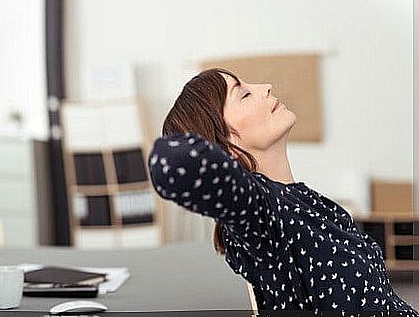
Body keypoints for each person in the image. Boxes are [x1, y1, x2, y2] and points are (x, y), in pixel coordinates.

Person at [147, 68, 418, 315]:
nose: (265, 86)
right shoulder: (263, 214)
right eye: (243, 95)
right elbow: (172, 161)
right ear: (225, 146)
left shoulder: (302, 199)